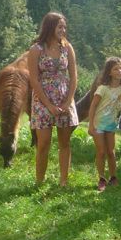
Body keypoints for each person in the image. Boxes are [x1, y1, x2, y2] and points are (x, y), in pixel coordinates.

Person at [27, 12, 79, 187]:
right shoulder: (36, 50)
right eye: (59, 27)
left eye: (64, 27)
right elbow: (34, 79)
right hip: (42, 100)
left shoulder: (67, 48)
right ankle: (39, 181)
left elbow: (74, 77)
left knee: (65, 143)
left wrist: (67, 102)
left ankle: (64, 181)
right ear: (49, 27)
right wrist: (48, 105)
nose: (63, 30)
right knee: (43, 144)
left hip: (64, 98)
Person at [88, 56, 121, 192]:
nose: (120, 71)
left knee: (111, 151)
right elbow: (93, 106)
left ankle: (113, 176)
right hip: (99, 124)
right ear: (109, 72)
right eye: (116, 69)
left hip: (111, 126)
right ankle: (101, 178)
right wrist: (91, 126)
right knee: (101, 151)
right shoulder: (102, 89)